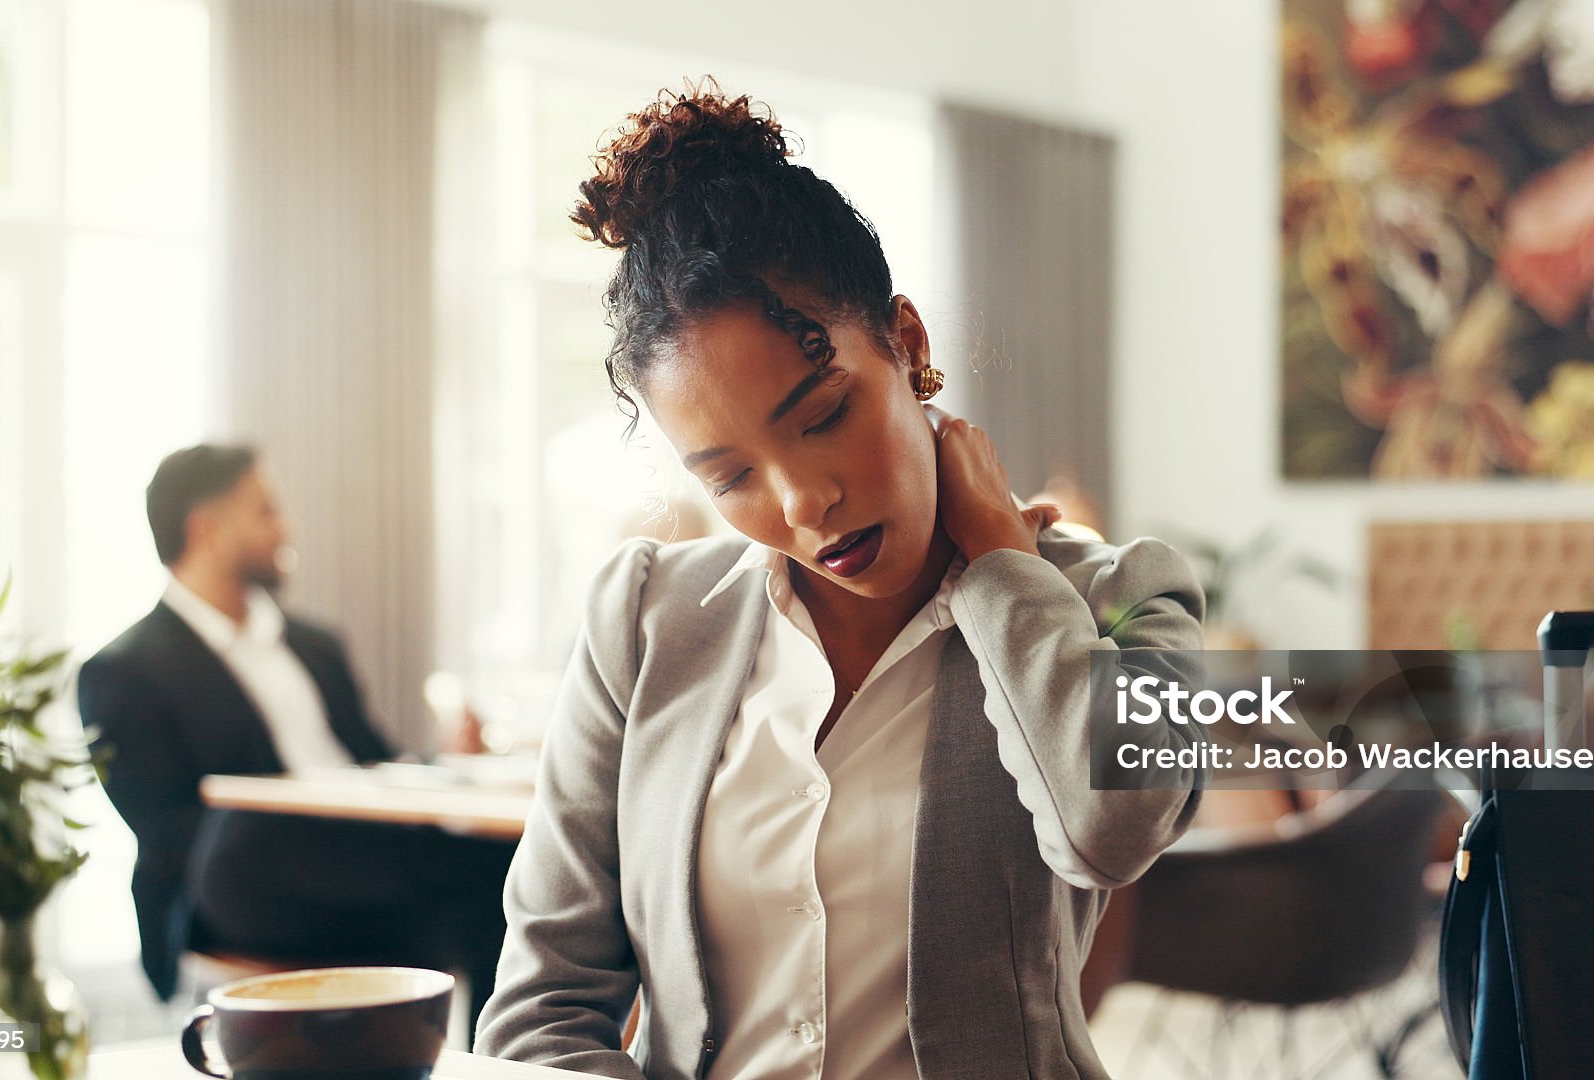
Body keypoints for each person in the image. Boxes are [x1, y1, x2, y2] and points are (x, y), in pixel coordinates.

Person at [474, 83, 1209, 1080]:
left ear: (905, 345)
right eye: (731, 477)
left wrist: (998, 562)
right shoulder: (642, 621)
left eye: (822, 416)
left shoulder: (1118, 595)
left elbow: (1109, 829)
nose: (803, 500)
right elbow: (542, 1008)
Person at [78, 444, 510, 1024]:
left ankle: (500, 1061)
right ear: (205, 529)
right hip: (244, 878)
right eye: (265, 511)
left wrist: (444, 761)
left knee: (513, 875)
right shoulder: (125, 669)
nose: (286, 527)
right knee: (247, 836)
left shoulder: (314, 644)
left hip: (368, 856)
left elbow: (373, 766)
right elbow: (166, 830)